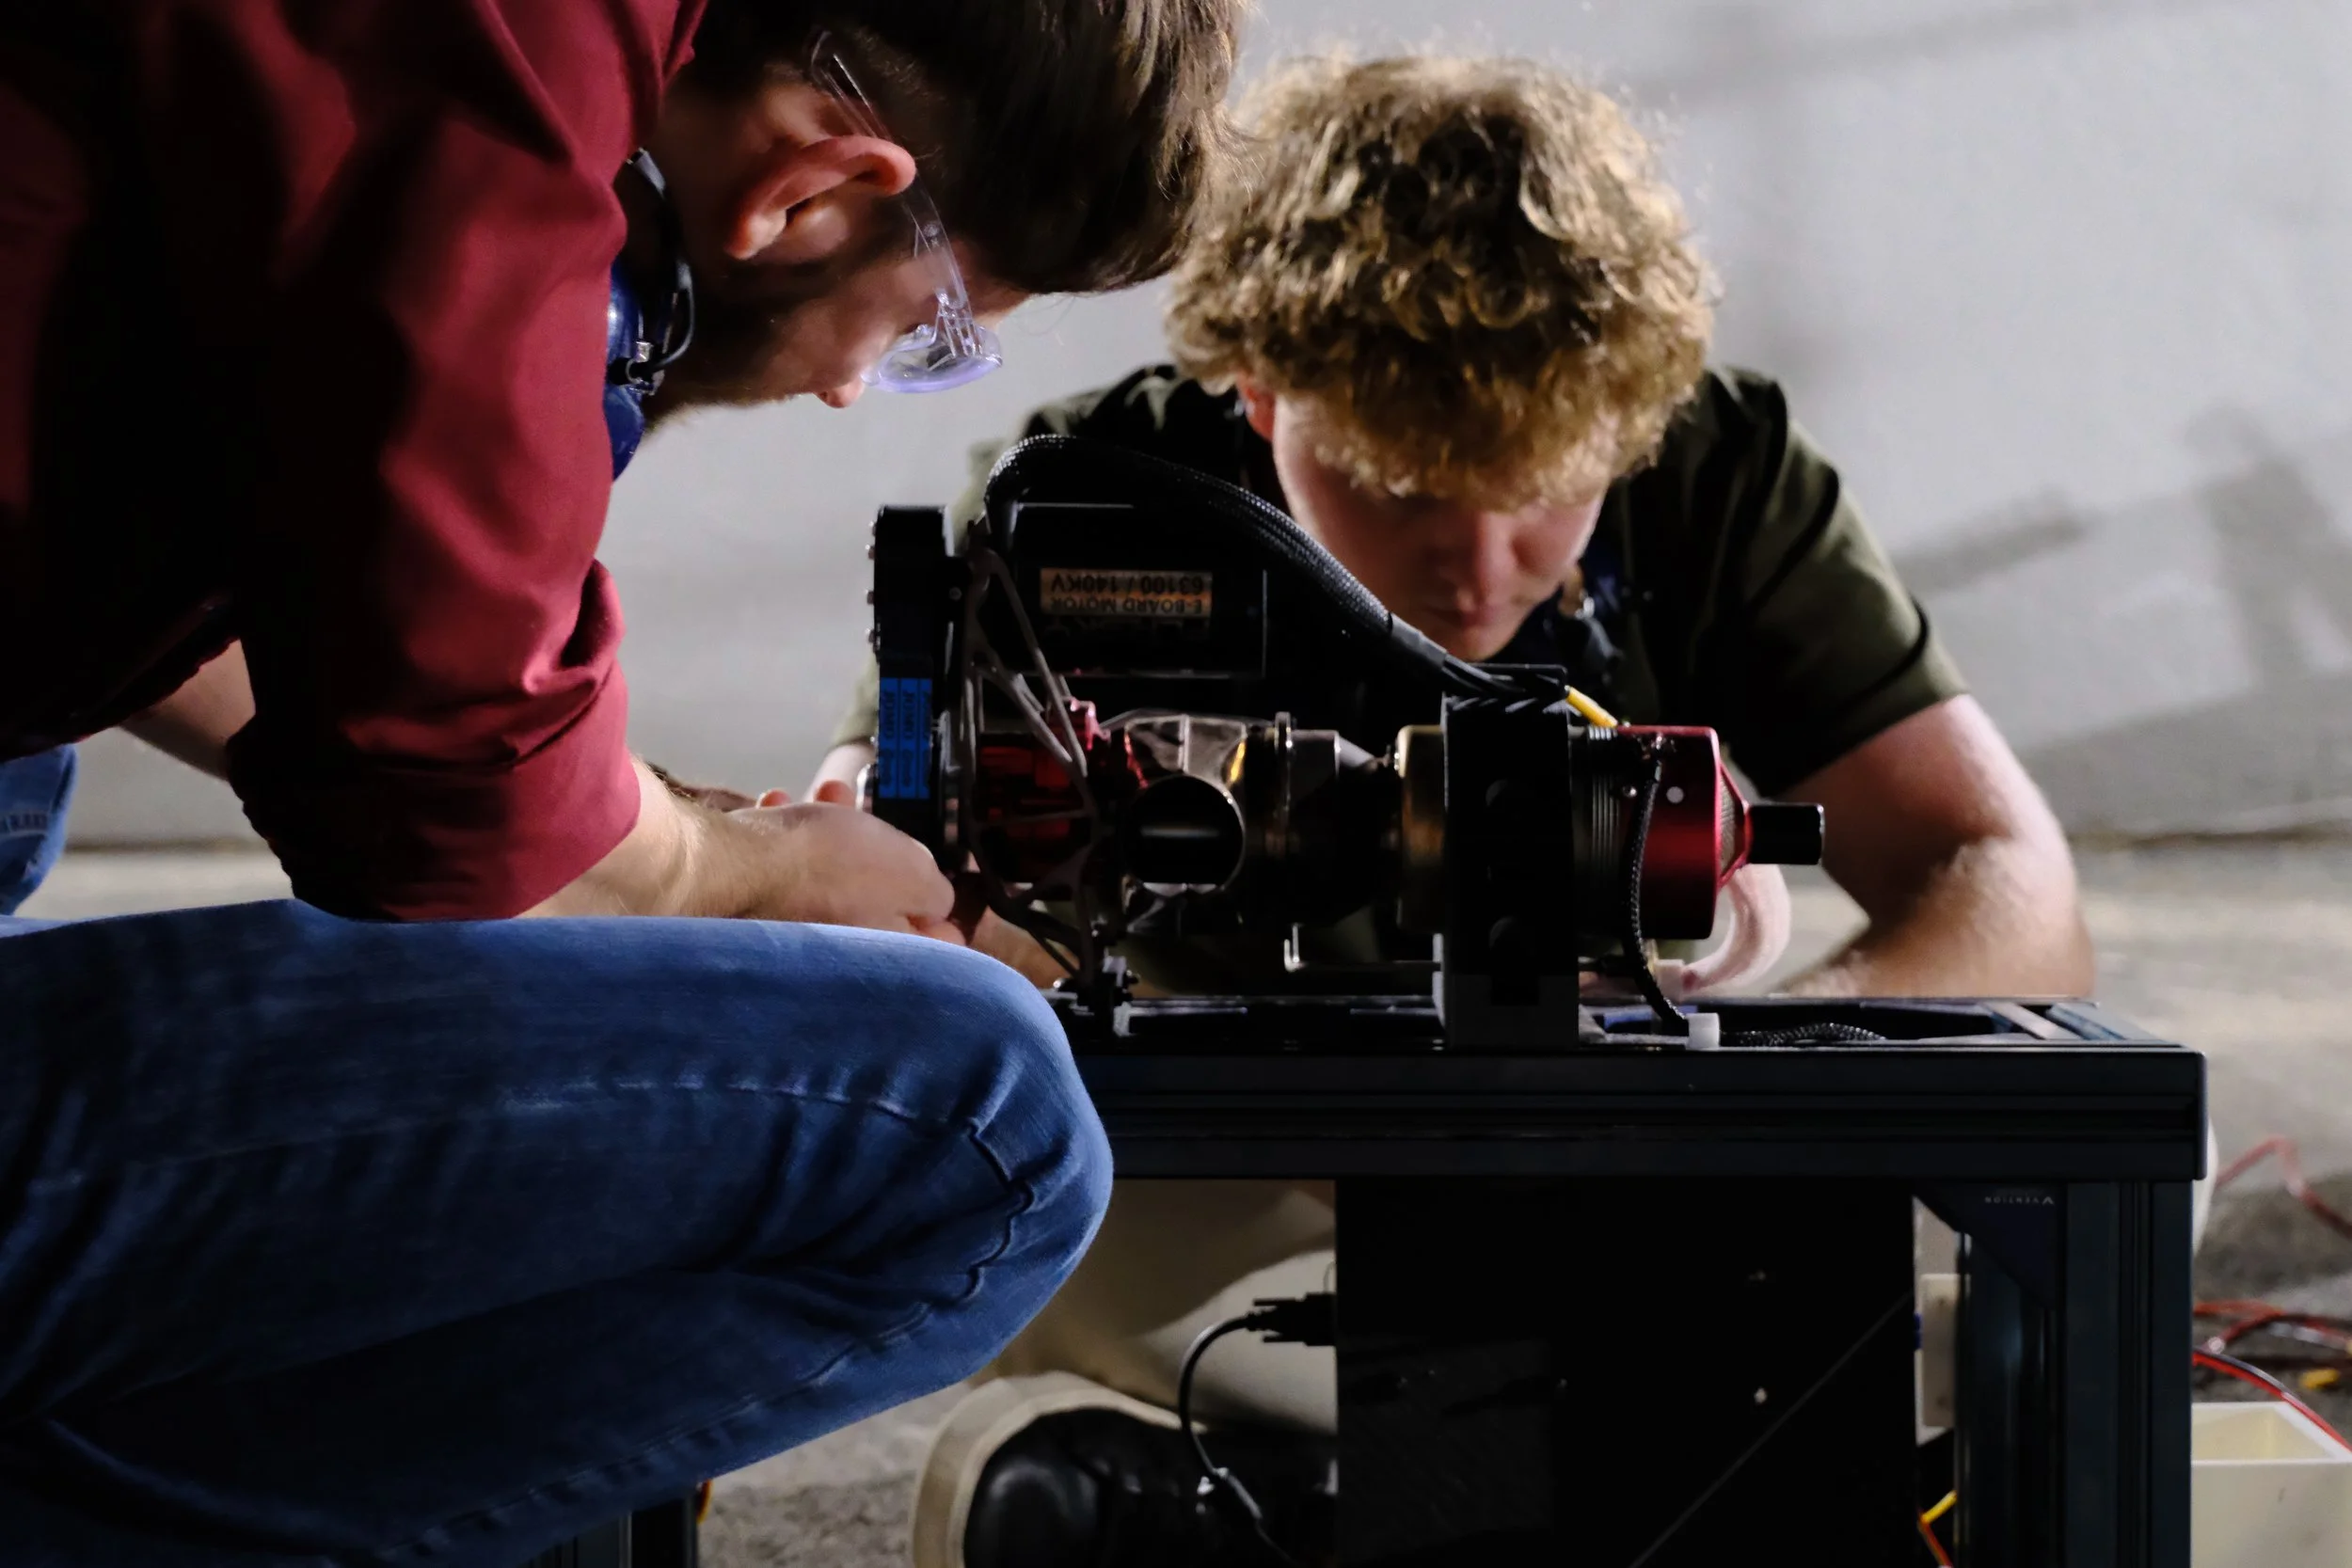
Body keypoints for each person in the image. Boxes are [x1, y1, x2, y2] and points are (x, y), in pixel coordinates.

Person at [0, 2, 1242, 1563]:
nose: (860, 387)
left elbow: (293, 636)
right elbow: (443, 797)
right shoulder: (507, 62)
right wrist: (759, 881)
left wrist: (655, 831)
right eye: (925, 331)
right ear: (808, 190)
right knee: (985, 1116)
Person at [813, 54, 2093, 1568]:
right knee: (997, 1181)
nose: (1479, 570)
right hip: (1263, 1197)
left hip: (1646, 1185)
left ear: (1631, 422)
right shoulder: (1099, 505)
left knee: (2098, 1194)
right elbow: (881, 881)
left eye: (1546, 489)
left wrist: (1742, 1100)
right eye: (1402, 487)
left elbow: (2005, 879)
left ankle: (1282, 1502)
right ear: (1261, 388)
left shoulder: (1720, 463)